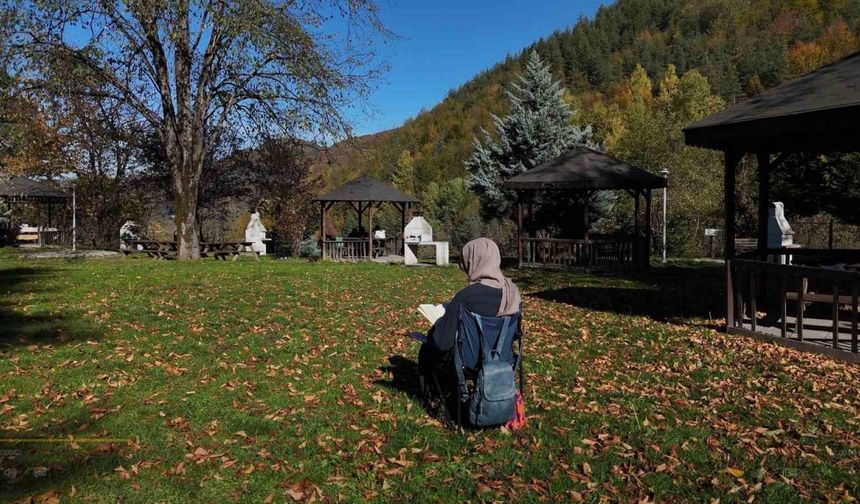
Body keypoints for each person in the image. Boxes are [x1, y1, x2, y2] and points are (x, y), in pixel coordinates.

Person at [418, 237, 522, 378]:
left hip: (469, 363)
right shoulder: (512, 293)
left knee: (428, 351)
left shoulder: (466, 297)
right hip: (503, 358)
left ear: (473, 261)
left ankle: (442, 390)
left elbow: (443, 343)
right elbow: (515, 333)